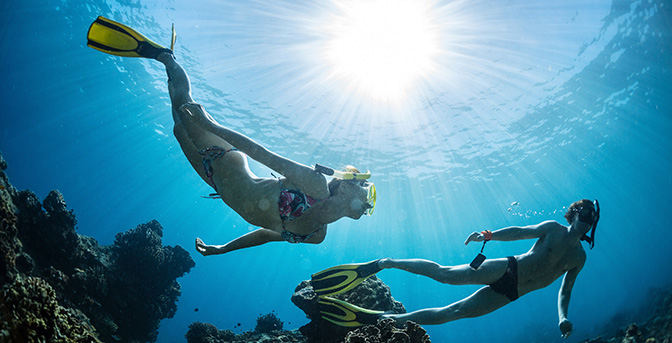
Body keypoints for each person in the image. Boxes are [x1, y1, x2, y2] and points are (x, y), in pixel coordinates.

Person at [86, 16, 376, 255]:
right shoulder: (316, 185)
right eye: (365, 191)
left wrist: (221, 249)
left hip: (215, 180)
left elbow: (265, 235)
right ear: (347, 184)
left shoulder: (317, 236)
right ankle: (166, 58)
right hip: (225, 160)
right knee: (184, 105)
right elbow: (262, 154)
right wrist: (210, 127)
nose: (367, 205)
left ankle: (169, 67)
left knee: (177, 124)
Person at [313, 199, 600, 339]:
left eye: (592, 218)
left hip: (514, 292)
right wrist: (490, 235)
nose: (587, 220)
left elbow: (565, 291)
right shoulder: (553, 229)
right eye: (584, 214)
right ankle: (386, 263)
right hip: (507, 269)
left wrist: (563, 317)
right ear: (574, 213)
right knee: (446, 275)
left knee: (453, 314)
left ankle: (387, 320)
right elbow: (519, 231)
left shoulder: (579, 258)